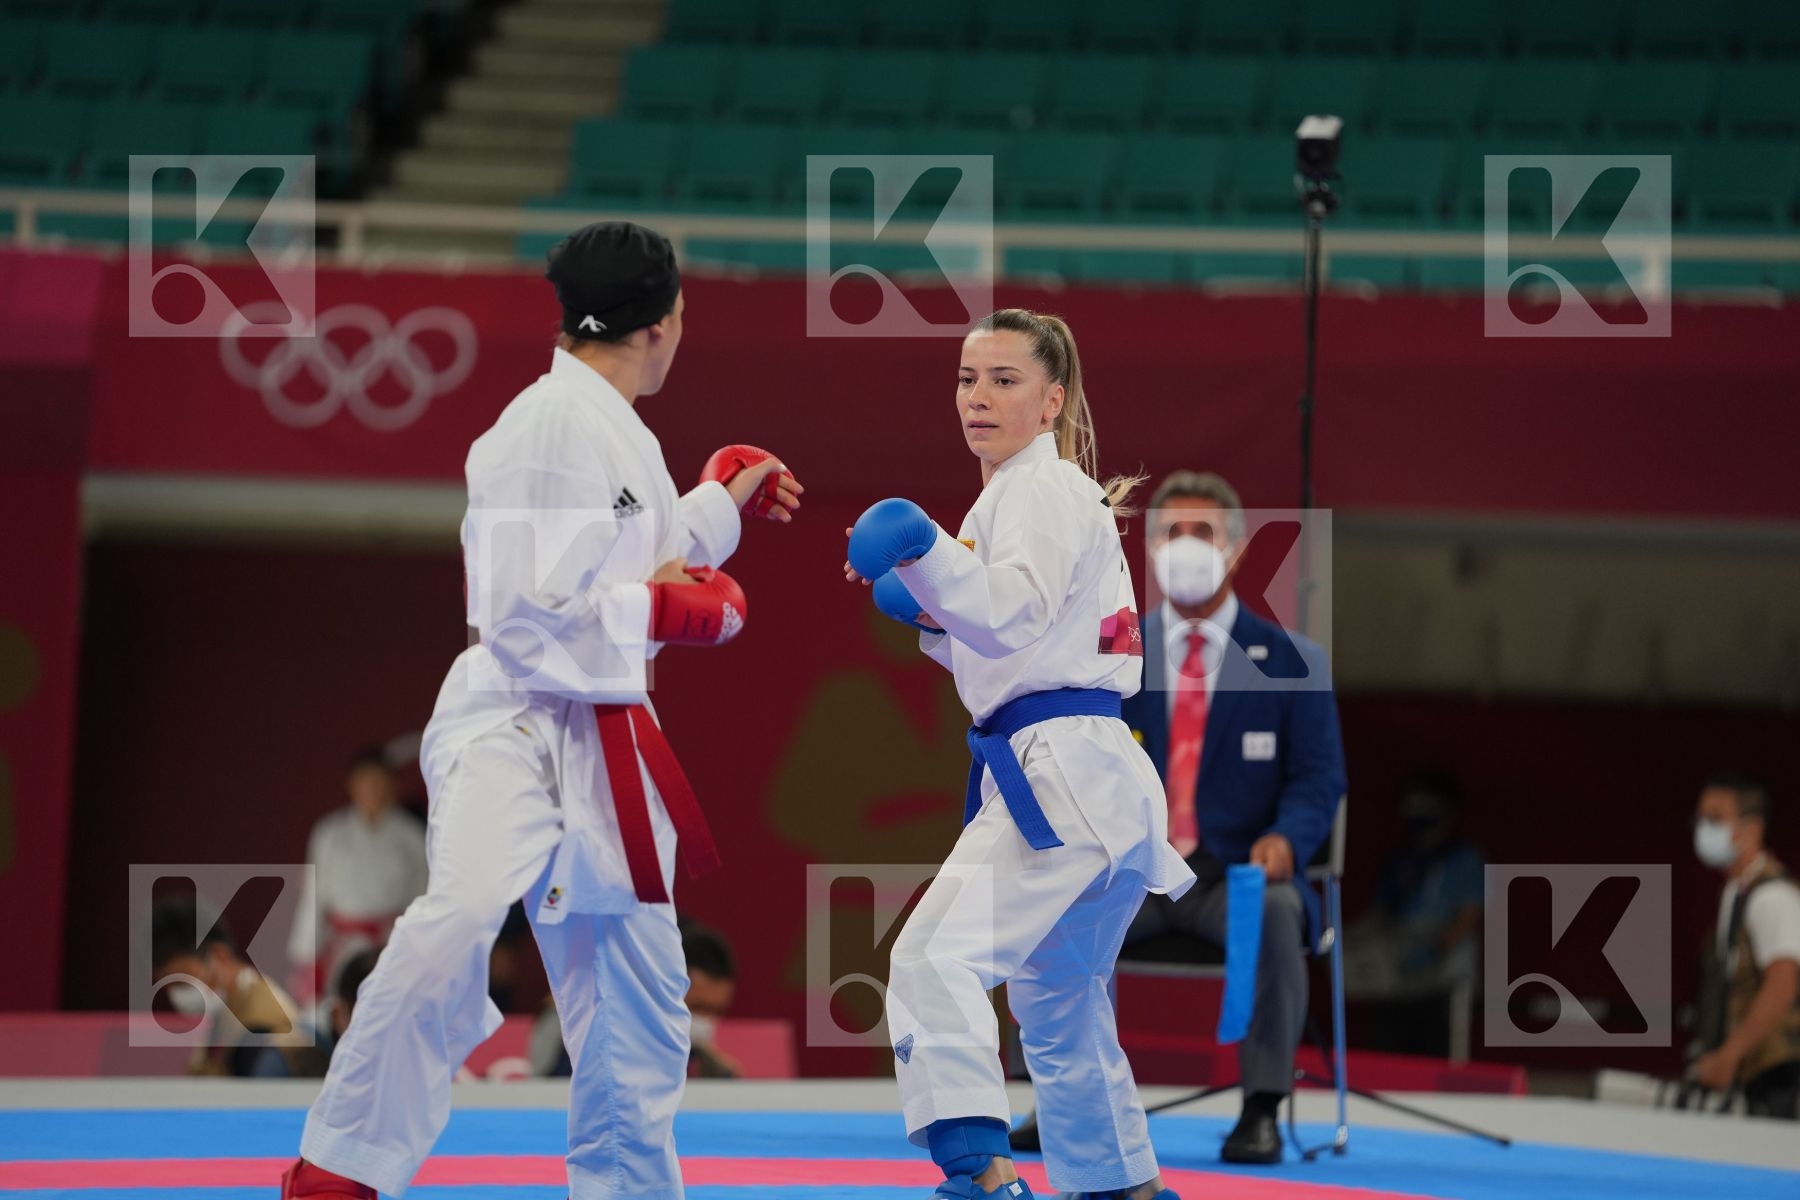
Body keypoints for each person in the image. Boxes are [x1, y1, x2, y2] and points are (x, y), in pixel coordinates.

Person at [280, 221, 802, 1200]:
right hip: (514, 723)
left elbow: (636, 551)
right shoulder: (540, 428)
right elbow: (524, 614)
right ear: (664, 323)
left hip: (604, 739)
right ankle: (339, 1168)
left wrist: (720, 503)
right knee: (459, 919)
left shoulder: (618, 431)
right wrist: (661, 610)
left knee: (638, 997)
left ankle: (626, 1192)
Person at [845, 308, 1193, 1200]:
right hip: (1092, 774)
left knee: (933, 956)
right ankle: (1122, 1188)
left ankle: (982, 1173)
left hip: (1062, 770)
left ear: (1052, 402)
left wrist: (921, 552)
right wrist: (927, 598)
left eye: (1004, 380)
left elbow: (1011, 615)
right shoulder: (1024, 494)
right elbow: (1007, 627)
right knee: (1060, 1001)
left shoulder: (1038, 488)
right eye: (967, 378)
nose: (979, 397)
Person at [1117, 470, 1345, 1165]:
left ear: (1237, 550)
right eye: (1171, 534)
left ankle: (1261, 1109)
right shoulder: (1112, 659)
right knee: (1054, 901)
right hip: (1134, 875)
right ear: (1149, 550)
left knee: (1279, 911)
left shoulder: (1294, 663)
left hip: (1234, 877)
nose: (1186, 548)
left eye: (1203, 534)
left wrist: (1287, 839)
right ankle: (1065, 1096)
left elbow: (1318, 778)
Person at [1689, 772, 1800, 1119]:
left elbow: (1783, 983)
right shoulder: (1737, 893)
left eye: (1716, 818)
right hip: (1752, 1079)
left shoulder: (1772, 897)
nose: (1704, 828)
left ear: (1751, 829)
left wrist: (1731, 1054)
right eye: (1701, 818)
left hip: (1778, 1078)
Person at [287, 747, 429, 1006]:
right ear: (352, 785)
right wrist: (306, 955)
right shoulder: (329, 833)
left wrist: (420, 950)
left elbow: (422, 898)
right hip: (341, 943)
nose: (373, 789)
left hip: (390, 942)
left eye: (379, 782)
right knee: (339, 1010)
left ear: (392, 785)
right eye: (366, 781)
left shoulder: (412, 837)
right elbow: (315, 895)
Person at [530, 914, 744, 1079]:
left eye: (716, 1011)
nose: (706, 1020)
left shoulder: (691, 1045)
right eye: (699, 1006)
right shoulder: (587, 1022)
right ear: (668, 985)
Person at [151, 896, 325, 1078]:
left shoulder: (261, 1025)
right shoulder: (228, 1009)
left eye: (181, 981)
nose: (176, 995)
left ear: (219, 956)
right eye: (168, 986)